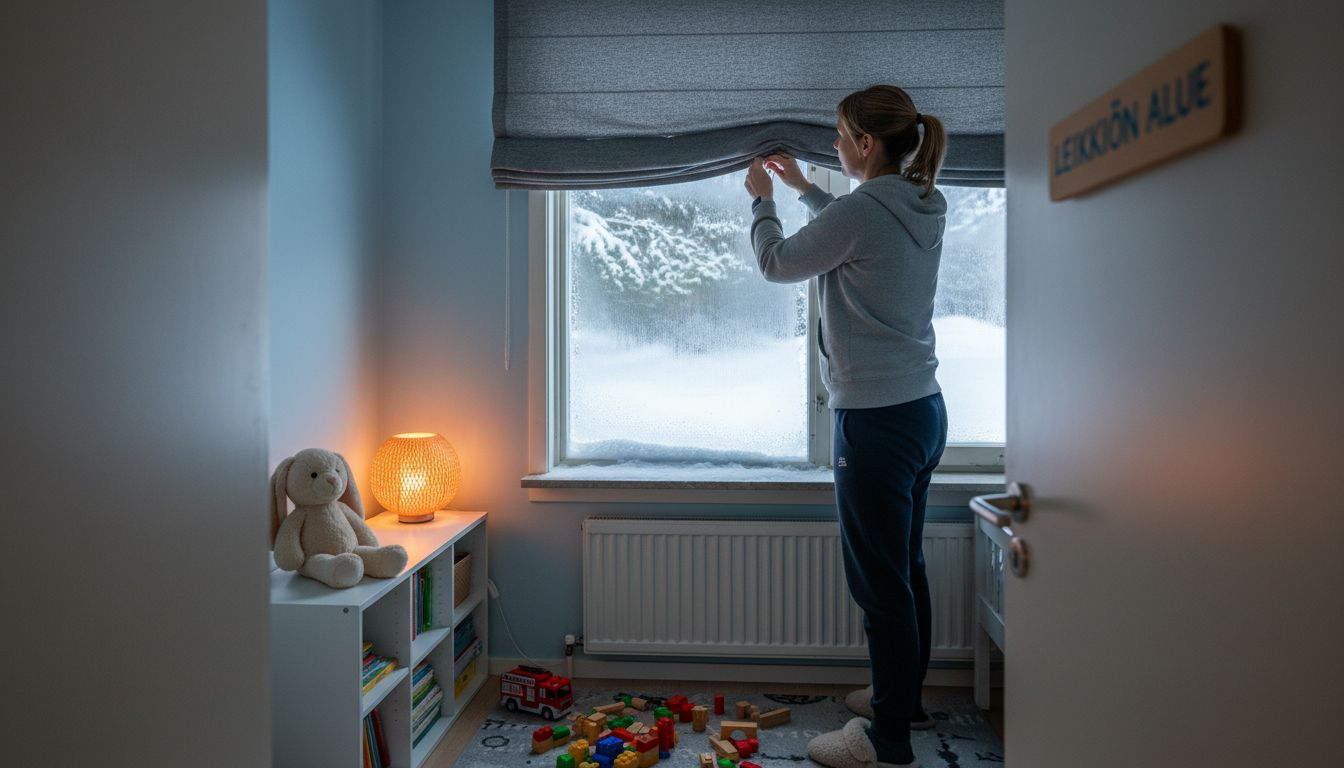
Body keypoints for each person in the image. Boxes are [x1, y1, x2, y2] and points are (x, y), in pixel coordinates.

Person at [744, 84, 949, 768]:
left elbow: (778, 263)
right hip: (922, 411)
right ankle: (904, 698)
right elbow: (858, 227)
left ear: (865, 144)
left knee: (878, 584)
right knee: (905, 568)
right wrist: (806, 187)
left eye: (839, 135)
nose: (832, 145)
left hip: (875, 423)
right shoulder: (923, 202)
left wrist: (762, 201)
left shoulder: (867, 209)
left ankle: (887, 741)